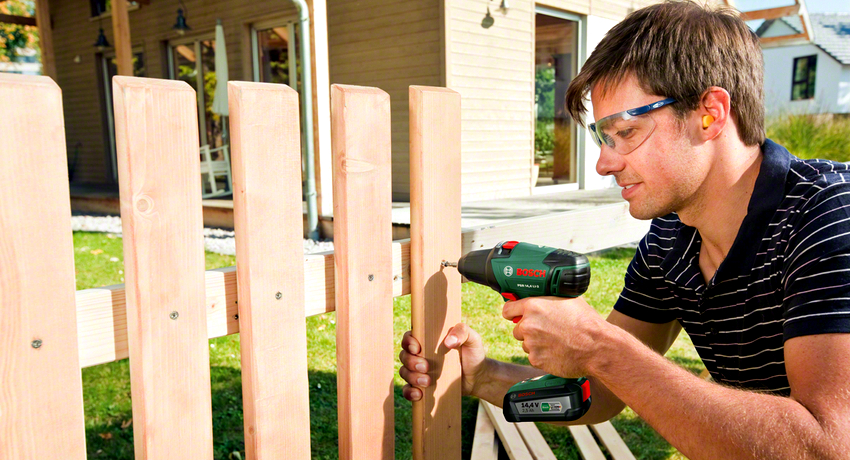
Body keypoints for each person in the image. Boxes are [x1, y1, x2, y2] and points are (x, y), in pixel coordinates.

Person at [398, 1, 850, 458]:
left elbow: (827, 446)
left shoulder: (829, 218)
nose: (604, 163)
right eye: (603, 137)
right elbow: (606, 392)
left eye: (627, 133)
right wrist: (483, 376)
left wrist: (599, 344)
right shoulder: (670, 241)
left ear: (710, 113)